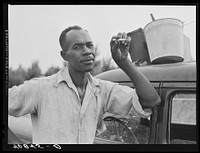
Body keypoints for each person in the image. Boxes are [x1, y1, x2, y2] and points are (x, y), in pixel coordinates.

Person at [8, 25, 161, 144]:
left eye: (89, 45)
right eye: (77, 47)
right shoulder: (40, 88)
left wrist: (123, 62)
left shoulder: (102, 90)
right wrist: (17, 145)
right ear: (64, 55)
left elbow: (151, 100)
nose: (87, 51)